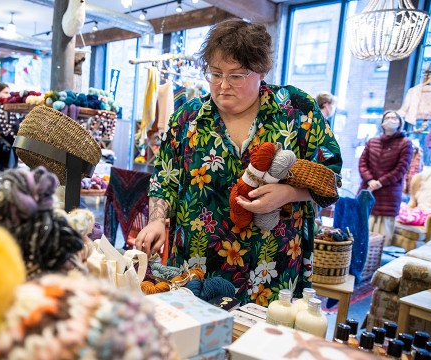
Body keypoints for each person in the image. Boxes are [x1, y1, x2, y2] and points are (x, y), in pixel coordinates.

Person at [135, 19, 342, 306]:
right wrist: (157, 221)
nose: (222, 86)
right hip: (198, 263)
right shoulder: (186, 118)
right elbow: (164, 178)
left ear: (261, 71)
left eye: (236, 76)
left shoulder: (297, 110)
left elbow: (331, 176)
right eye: (215, 74)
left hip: (272, 263)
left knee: (261, 344)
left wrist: (289, 194)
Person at [359, 110, 413, 241]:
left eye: (394, 118)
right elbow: (362, 163)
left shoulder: (405, 143)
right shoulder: (372, 142)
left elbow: (401, 168)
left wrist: (380, 182)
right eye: (388, 117)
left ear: (400, 123)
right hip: (369, 189)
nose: (391, 120)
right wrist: (370, 180)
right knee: (362, 227)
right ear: (382, 122)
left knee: (382, 234)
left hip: (389, 193)